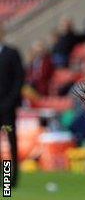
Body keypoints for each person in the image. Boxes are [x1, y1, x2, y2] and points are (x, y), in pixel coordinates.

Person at [0, 25, 25, 187]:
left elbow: (18, 80)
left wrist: (9, 102)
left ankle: (11, 179)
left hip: (6, 111)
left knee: (10, 141)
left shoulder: (11, 53)